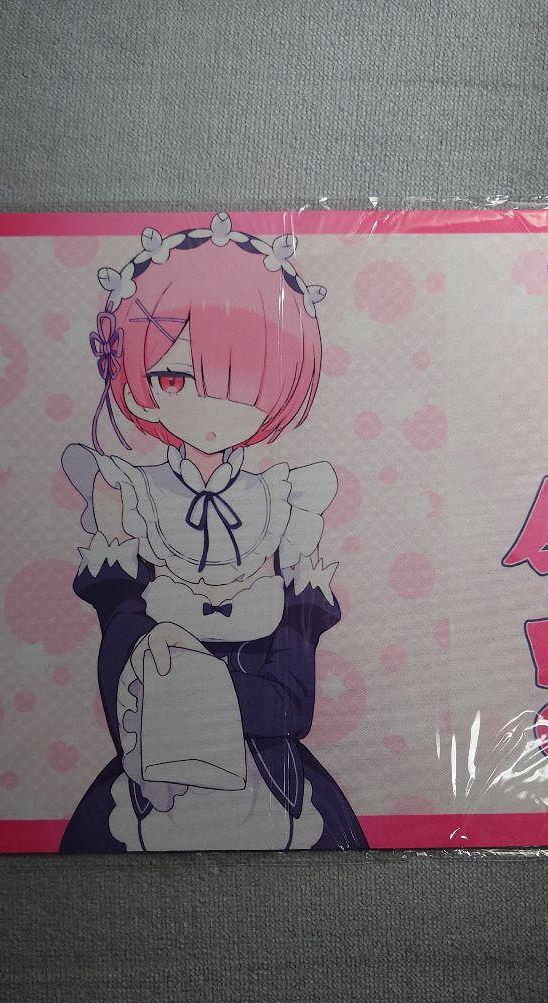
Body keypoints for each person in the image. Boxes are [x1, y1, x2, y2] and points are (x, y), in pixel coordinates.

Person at [59, 213, 366, 852]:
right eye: (173, 379)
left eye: (238, 381)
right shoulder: (128, 494)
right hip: (155, 766)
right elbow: (119, 674)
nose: (207, 405)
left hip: (269, 772)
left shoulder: (287, 500)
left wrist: (205, 697)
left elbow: (294, 700)